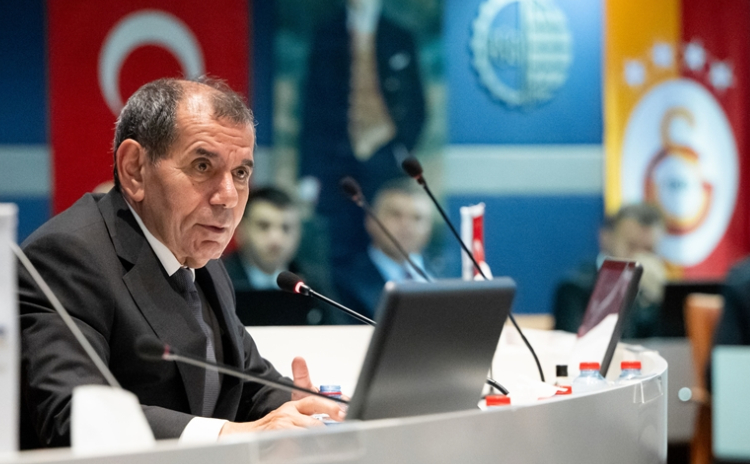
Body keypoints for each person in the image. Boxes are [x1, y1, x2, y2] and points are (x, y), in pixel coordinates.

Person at [18, 78, 343, 449]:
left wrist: (310, 410)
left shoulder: (202, 259)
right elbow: (73, 415)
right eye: (202, 166)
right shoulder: (67, 257)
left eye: (240, 173)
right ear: (134, 169)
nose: (228, 197)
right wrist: (229, 434)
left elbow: (248, 385)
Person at [299, 0, 426, 270]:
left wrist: (402, 147)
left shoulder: (399, 35)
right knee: (339, 241)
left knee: (385, 235)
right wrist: (309, 172)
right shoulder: (327, 33)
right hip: (337, 159)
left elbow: (417, 103)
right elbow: (312, 105)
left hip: (384, 155)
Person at [222, 186, 340, 325]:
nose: (276, 239)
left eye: (286, 228)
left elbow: (339, 329)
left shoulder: (313, 283)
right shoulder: (220, 279)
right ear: (241, 230)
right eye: (263, 226)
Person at [553, 203, 667, 338]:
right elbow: (579, 345)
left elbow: (669, 343)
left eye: (648, 250)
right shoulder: (574, 288)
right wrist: (628, 291)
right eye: (631, 246)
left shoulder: (657, 290)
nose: (640, 258)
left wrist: (661, 300)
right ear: (606, 238)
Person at [334, 179, 434, 319]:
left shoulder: (448, 278)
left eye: (417, 218)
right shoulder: (343, 283)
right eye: (395, 215)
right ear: (370, 221)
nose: (406, 225)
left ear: (430, 229)